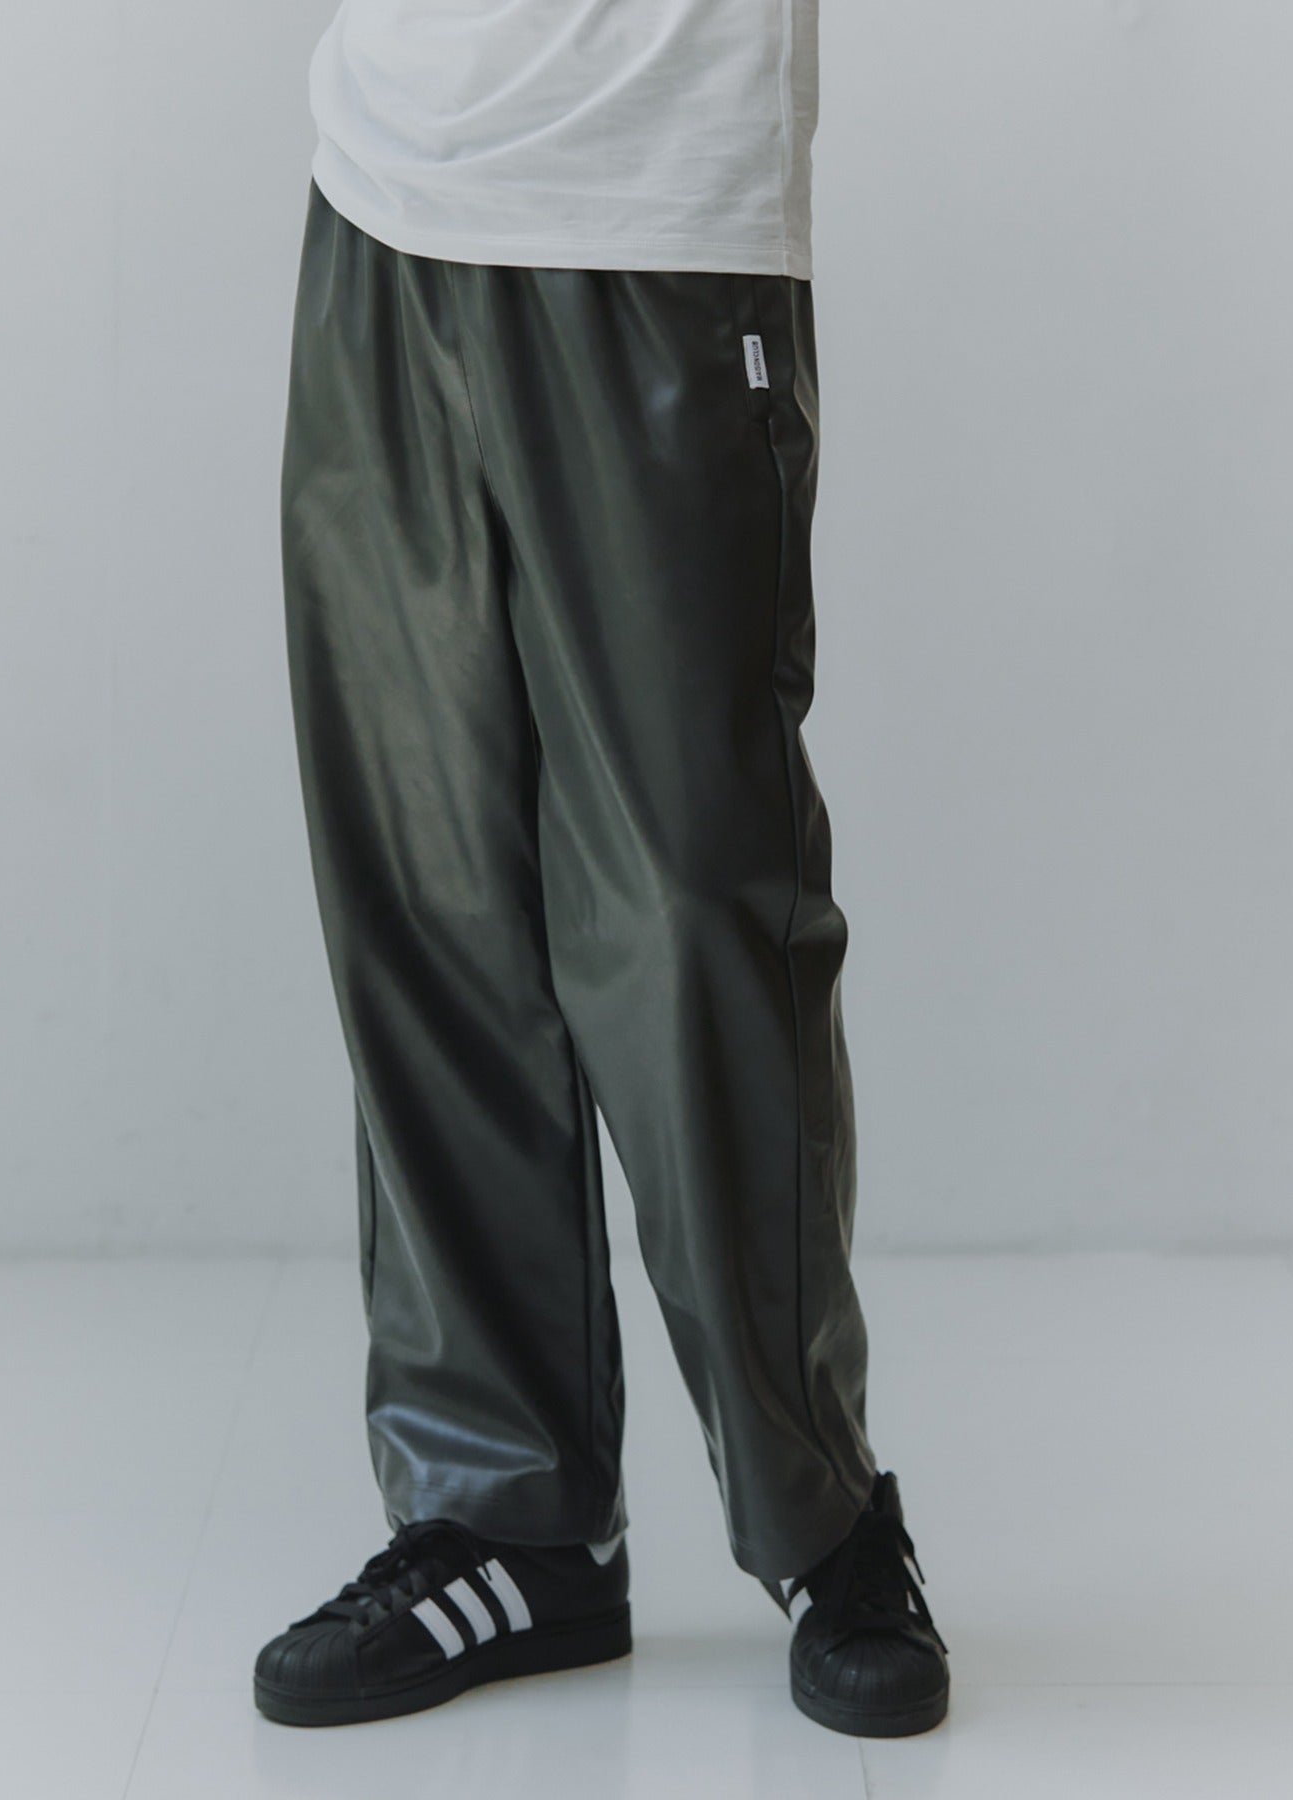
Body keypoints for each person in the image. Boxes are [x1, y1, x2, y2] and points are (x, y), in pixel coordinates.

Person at [255, 0, 949, 1739]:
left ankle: (824, 1518)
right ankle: (508, 1521)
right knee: (428, 895)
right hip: (383, 198)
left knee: (695, 908)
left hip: (657, 216)